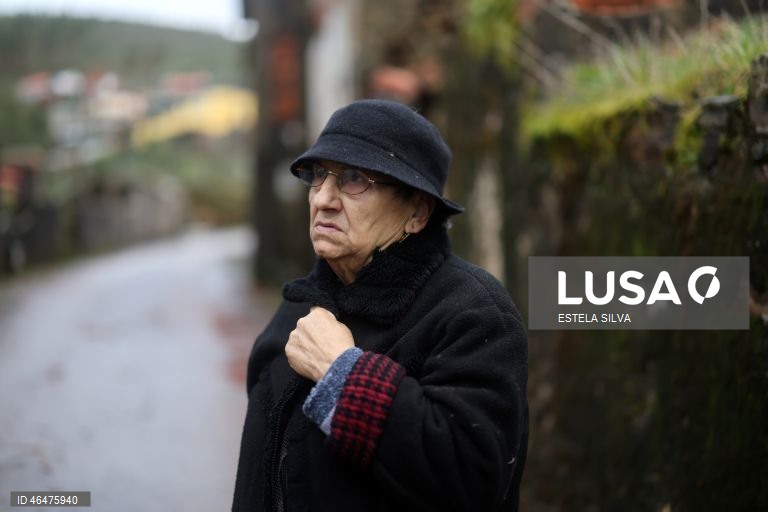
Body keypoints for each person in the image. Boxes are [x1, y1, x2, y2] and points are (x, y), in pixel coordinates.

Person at [232, 99, 528, 512]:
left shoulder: (471, 313)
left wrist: (344, 375)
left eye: (354, 180)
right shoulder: (296, 312)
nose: (324, 199)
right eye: (318, 177)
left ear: (417, 212)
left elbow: (471, 479)